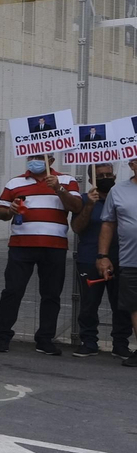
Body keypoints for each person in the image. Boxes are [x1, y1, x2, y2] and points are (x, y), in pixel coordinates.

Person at [0, 153, 82, 353]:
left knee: (51, 294)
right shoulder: (15, 182)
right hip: (21, 245)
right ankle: (3, 337)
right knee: (12, 291)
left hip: (54, 246)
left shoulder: (67, 180)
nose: (34, 161)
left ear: (51, 160)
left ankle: (45, 339)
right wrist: (11, 211)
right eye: (31, 157)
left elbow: (76, 206)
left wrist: (58, 188)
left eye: (39, 157)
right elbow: (1, 211)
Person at [75, 164, 131, 359]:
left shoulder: (121, 196)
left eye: (109, 174)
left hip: (122, 259)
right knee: (89, 303)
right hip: (89, 259)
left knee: (122, 304)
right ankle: (89, 342)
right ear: (92, 180)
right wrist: (89, 205)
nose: (106, 177)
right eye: (101, 175)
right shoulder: (83, 200)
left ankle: (120, 344)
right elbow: (77, 228)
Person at [94, 156, 137, 367]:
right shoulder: (117, 191)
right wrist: (103, 256)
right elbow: (108, 224)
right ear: (131, 165)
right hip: (130, 260)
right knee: (135, 307)